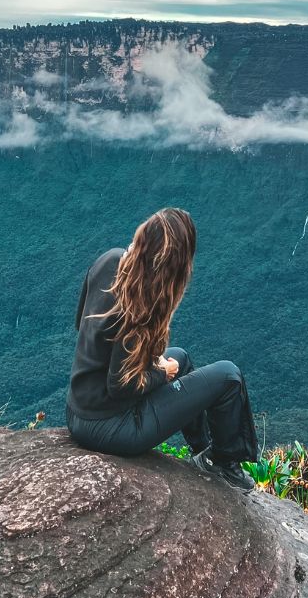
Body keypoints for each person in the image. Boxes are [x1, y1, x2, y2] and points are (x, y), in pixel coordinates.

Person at [66, 207, 259, 492]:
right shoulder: (139, 304)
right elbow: (120, 386)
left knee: (181, 357)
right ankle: (223, 462)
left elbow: (80, 321)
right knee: (228, 377)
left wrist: (153, 364)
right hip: (112, 428)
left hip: (78, 410)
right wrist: (161, 373)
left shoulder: (110, 260)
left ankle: (202, 449)